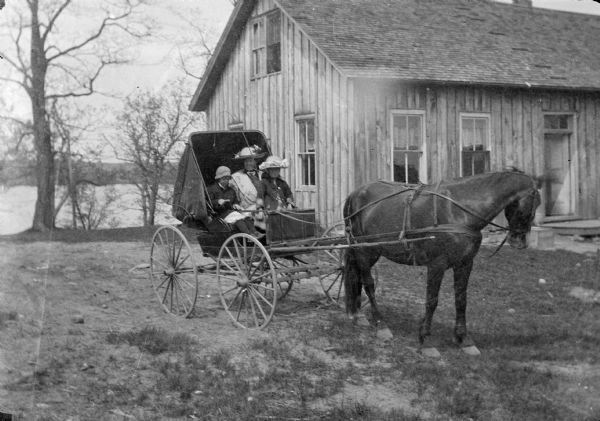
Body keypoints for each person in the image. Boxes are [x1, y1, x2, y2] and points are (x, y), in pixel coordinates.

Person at [207, 166, 262, 238]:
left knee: (246, 217)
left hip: (232, 212)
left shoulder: (231, 190)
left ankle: (255, 233)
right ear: (219, 179)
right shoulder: (211, 189)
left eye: (228, 178)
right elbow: (208, 203)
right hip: (220, 214)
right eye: (224, 178)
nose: (227, 180)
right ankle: (249, 236)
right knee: (239, 219)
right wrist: (218, 201)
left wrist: (236, 205)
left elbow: (235, 201)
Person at [231, 145, 266, 229]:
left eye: (250, 161)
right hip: (247, 210)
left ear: (255, 162)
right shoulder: (236, 177)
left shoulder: (263, 175)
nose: (248, 163)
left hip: (265, 207)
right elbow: (232, 195)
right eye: (246, 161)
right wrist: (235, 204)